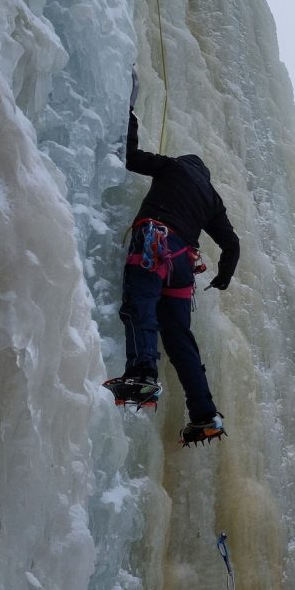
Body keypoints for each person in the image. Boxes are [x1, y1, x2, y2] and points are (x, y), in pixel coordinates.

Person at [106, 103, 240, 446]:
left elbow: (131, 157)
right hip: (182, 265)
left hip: (155, 242)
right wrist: (224, 277)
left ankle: (142, 372)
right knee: (181, 340)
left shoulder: (174, 168)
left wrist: (130, 114)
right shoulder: (211, 198)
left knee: (140, 305)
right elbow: (232, 244)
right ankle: (204, 413)